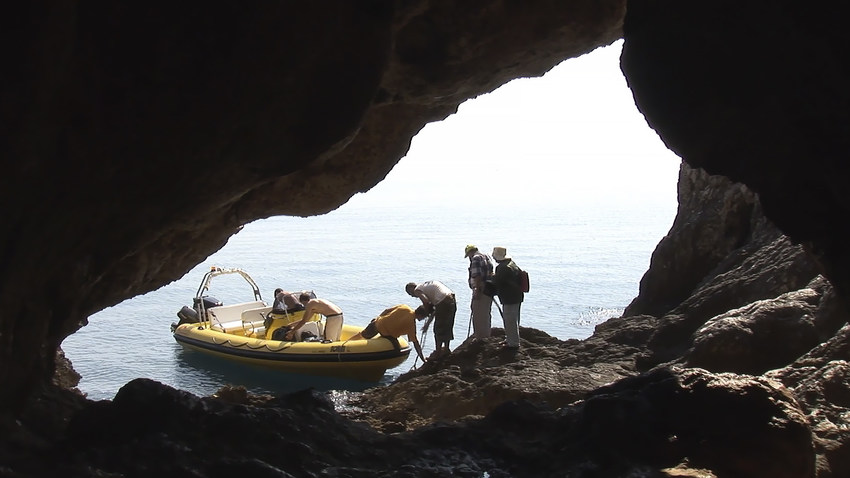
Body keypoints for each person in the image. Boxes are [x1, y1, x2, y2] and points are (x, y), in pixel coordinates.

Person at [348, 304, 429, 363]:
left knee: (363, 335)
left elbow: (386, 310)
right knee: (396, 351)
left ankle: (348, 343)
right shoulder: (411, 325)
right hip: (387, 335)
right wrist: (423, 359)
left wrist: (377, 318)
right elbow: (415, 343)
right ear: (420, 315)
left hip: (377, 324)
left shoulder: (404, 307)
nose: (423, 319)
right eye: (424, 317)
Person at [406, 281, 457, 358]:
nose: (412, 296)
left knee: (438, 328)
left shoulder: (417, 290)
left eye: (410, 293)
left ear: (411, 288)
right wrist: (427, 324)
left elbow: (425, 301)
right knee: (447, 326)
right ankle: (446, 349)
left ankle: (438, 352)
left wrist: (426, 311)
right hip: (451, 299)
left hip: (443, 301)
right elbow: (435, 311)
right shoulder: (426, 287)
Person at [492, 246, 524, 349]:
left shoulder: (502, 268)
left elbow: (498, 282)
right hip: (517, 295)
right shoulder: (512, 264)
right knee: (514, 319)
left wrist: (491, 277)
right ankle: (510, 339)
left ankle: (513, 343)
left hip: (509, 297)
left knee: (509, 320)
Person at [464, 244, 494, 339]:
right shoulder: (486, 256)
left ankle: (480, 337)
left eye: (468, 255)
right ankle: (486, 334)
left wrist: (476, 290)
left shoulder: (476, 258)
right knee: (486, 313)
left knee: (478, 314)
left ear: (470, 252)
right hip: (489, 290)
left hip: (481, 289)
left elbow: (477, 275)